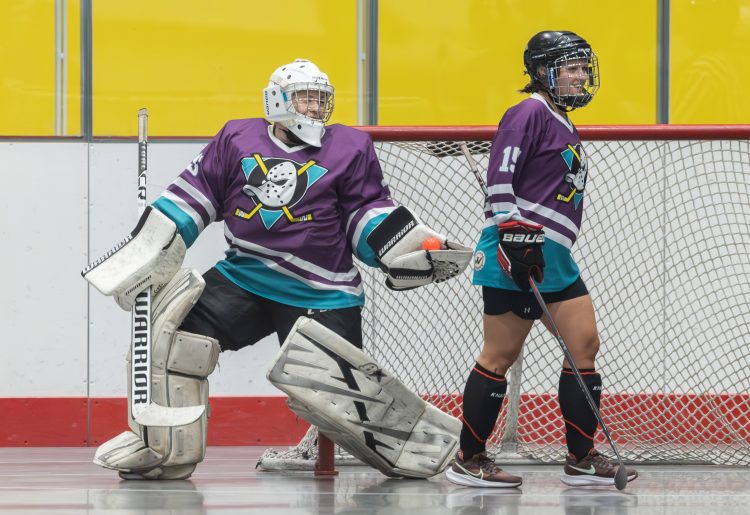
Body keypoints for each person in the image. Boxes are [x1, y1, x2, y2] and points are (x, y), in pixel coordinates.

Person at [83, 58, 471, 480]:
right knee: (172, 346)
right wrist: (149, 249)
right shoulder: (236, 137)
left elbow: (367, 210)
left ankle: (412, 454)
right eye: (305, 97)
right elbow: (193, 198)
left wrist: (398, 247)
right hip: (244, 278)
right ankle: (166, 449)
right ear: (277, 100)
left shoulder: (350, 146)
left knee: (338, 397)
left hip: (323, 290)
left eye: (321, 99)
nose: (315, 108)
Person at [446, 31, 638, 488]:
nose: (579, 76)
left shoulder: (561, 119)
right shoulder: (528, 111)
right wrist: (512, 232)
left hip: (555, 253)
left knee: (584, 345)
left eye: (582, 68)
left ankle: (580, 458)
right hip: (517, 247)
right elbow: (501, 172)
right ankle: (470, 459)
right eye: (569, 68)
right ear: (541, 72)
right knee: (500, 355)